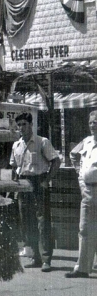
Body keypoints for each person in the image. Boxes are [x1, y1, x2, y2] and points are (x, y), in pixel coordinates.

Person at [9, 112, 61, 272]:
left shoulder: (41, 142)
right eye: (19, 125)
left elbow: (56, 161)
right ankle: (34, 257)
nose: (22, 128)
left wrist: (46, 181)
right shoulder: (16, 145)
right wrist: (14, 185)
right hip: (23, 183)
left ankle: (46, 259)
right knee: (27, 221)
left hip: (39, 183)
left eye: (24, 124)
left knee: (42, 221)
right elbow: (13, 166)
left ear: (31, 125)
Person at [65, 110, 97, 278]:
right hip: (88, 190)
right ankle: (83, 268)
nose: (93, 125)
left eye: (96, 122)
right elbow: (73, 155)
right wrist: (80, 176)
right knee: (84, 228)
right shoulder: (86, 141)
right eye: (91, 122)